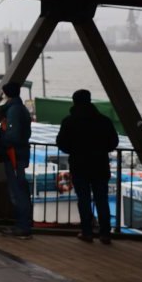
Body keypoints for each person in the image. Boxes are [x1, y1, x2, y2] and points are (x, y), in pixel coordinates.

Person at [57, 89, 120, 244]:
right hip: (100, 165)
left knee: (83, 200)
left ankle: (87, 232)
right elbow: (113, 142)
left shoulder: (69, 121)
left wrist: (74, 149)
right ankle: (105, 233)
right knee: (102, 200)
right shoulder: (104, 121)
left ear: (74, 102)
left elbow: (62, 143)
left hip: (79, 166)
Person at [0, 81, 33, 239]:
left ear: (6, 94)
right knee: (20, 190)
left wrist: (0, 143)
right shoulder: (21, 108)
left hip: (14, 155)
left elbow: (13, 135)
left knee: (18, 191)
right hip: (19, 154)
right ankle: (23, 225)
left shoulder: (14, 111)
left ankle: (23, 227)